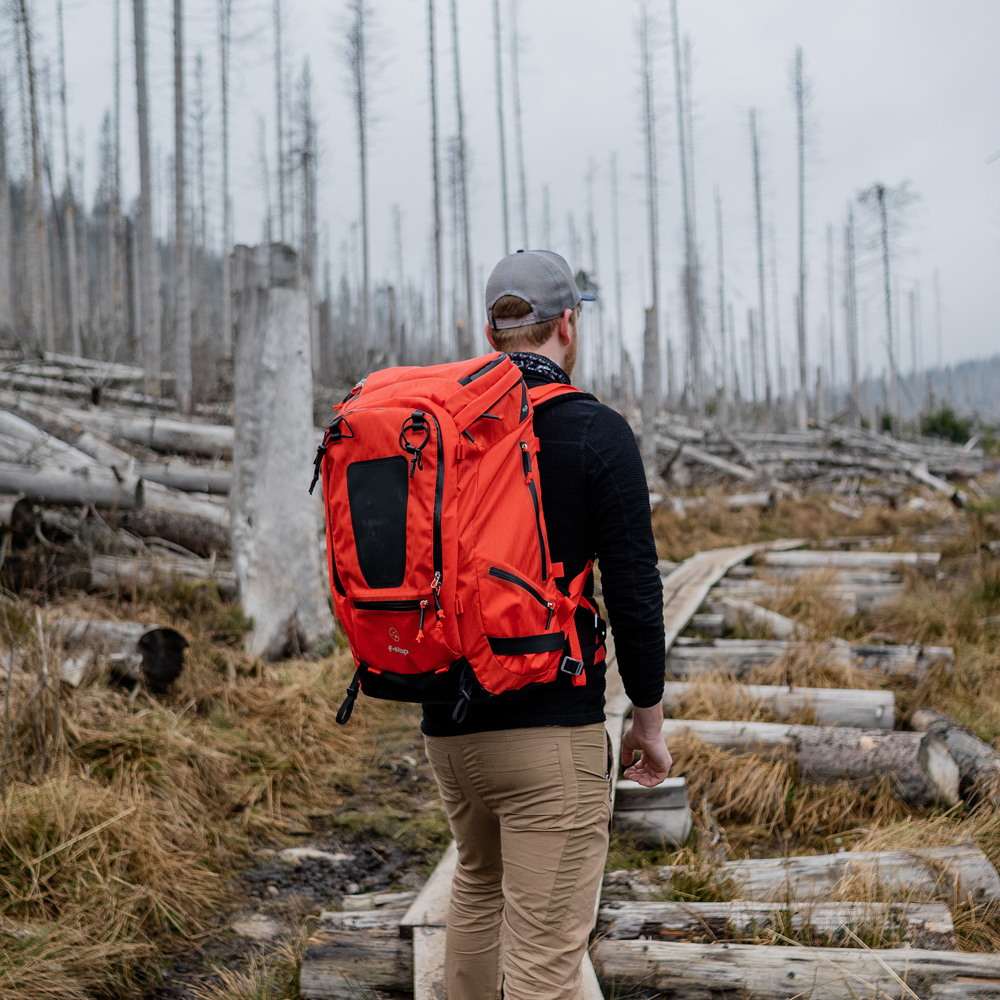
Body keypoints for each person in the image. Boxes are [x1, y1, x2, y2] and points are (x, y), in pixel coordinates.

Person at [421, 249, 671, 1000]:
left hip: (448, 728)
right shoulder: (594, 430)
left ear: (493, 334)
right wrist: (647, 721)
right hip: (549, 734)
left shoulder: (441, 430)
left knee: (476, 886)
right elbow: (634, 591)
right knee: (545, 965)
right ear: (568, 324)